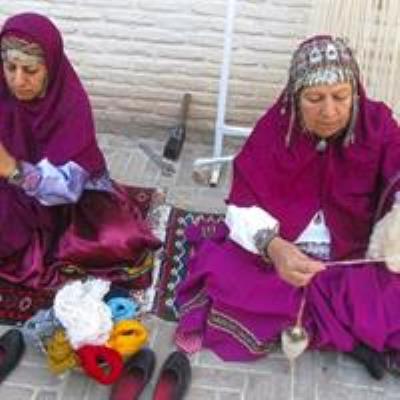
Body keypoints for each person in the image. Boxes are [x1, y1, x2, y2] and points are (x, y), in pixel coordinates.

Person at [175, 35, 400, 379]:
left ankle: (340, 328)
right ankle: (353, 335)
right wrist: (274, 247)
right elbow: (241, 204)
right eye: (315, 98)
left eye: (341, 97)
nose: (329, 111)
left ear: (356, 93)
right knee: (228, 279)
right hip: (280, 254)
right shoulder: (274, 130)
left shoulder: (378, 125)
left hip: (354, 254)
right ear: (295, 99)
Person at [0, 12, 161, 289]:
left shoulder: (71, 105)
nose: (18, 80)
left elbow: (69, 188)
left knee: (120, 241)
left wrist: (14, 170)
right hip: (11, 195)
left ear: (50, 67)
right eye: (10, 67)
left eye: (30, 70)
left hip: (67, 202)